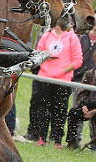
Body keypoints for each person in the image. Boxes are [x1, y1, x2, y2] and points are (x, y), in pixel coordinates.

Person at [30, 16, 83, 148]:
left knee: (59, 109)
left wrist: (61, 71)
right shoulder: (47, 36)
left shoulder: (72, 38)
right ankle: (42, 137)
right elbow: (38, 53)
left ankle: (57, 139)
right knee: (43, 108)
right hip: (45, 77)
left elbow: (77, 60)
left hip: (63, 80)